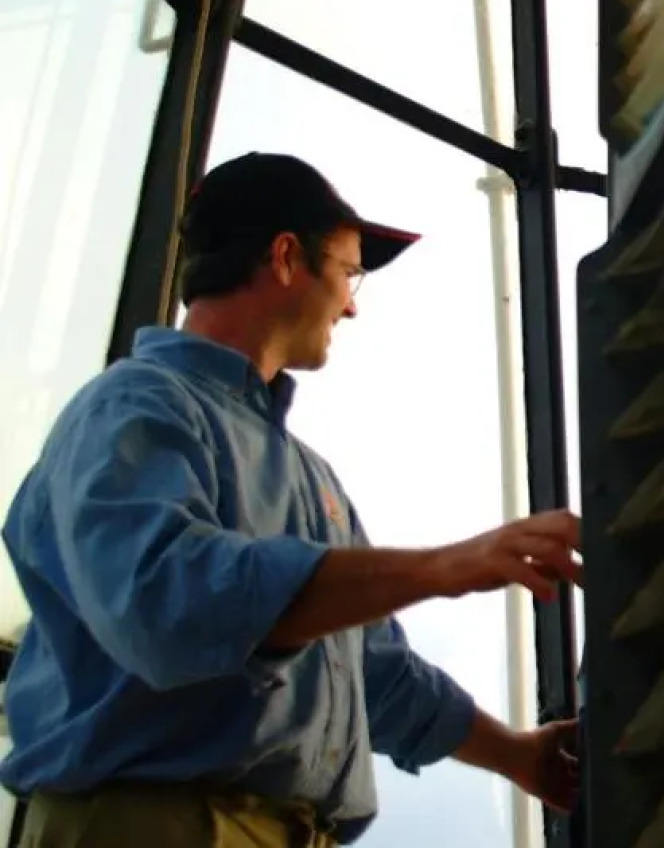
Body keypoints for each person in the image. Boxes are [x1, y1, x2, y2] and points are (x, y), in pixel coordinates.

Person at [1, 153, 583, 847]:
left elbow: (372, 672)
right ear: (284, 257)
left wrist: (515, 754)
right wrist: (442, 566)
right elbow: (169, 602)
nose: (352, 304)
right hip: (153, 826)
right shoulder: (130, 407)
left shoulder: (311, 480)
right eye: (348, 271)